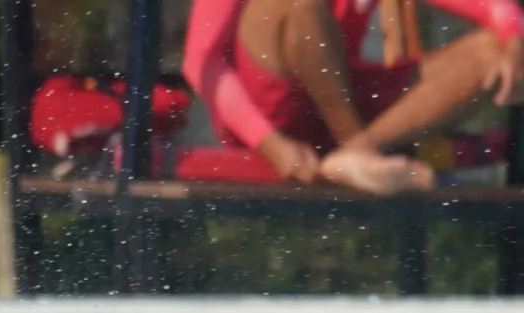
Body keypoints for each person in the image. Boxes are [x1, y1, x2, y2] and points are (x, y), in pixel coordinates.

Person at [184, 0, 524, 192]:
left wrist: (515, 36)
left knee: (494, 50)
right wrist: (270, 143)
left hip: (345, 110)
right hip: (270, 124)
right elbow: (200, 62)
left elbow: (493, 6)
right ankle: (361, 152)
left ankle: (356, 154)